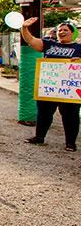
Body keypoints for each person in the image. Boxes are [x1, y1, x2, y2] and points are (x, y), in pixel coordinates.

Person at [21, 18, 81, 152]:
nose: (61, 32)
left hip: (69, 90)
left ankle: (70, 143)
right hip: (49, 87)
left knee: (70, 115)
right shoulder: (49, 44)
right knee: (44, 113)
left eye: (65, 30)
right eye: (59, 30)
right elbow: (30, 40)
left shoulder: (79, 48)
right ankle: (39, 137)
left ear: (72, 33)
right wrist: (24, 28)